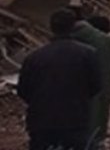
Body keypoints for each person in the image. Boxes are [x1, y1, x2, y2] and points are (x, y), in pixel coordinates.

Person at [18, 8, 102, 150]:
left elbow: (23, 90)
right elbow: (96, 85)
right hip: (76, 119)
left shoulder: (34, 57)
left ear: (51, 27)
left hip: (41, 121)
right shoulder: (88, 54)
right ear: (73, 27)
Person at [71, 11, 110, 148]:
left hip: (71, 90)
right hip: (101, 89)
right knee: (96, 124)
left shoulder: (66, 39)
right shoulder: (105, 40)